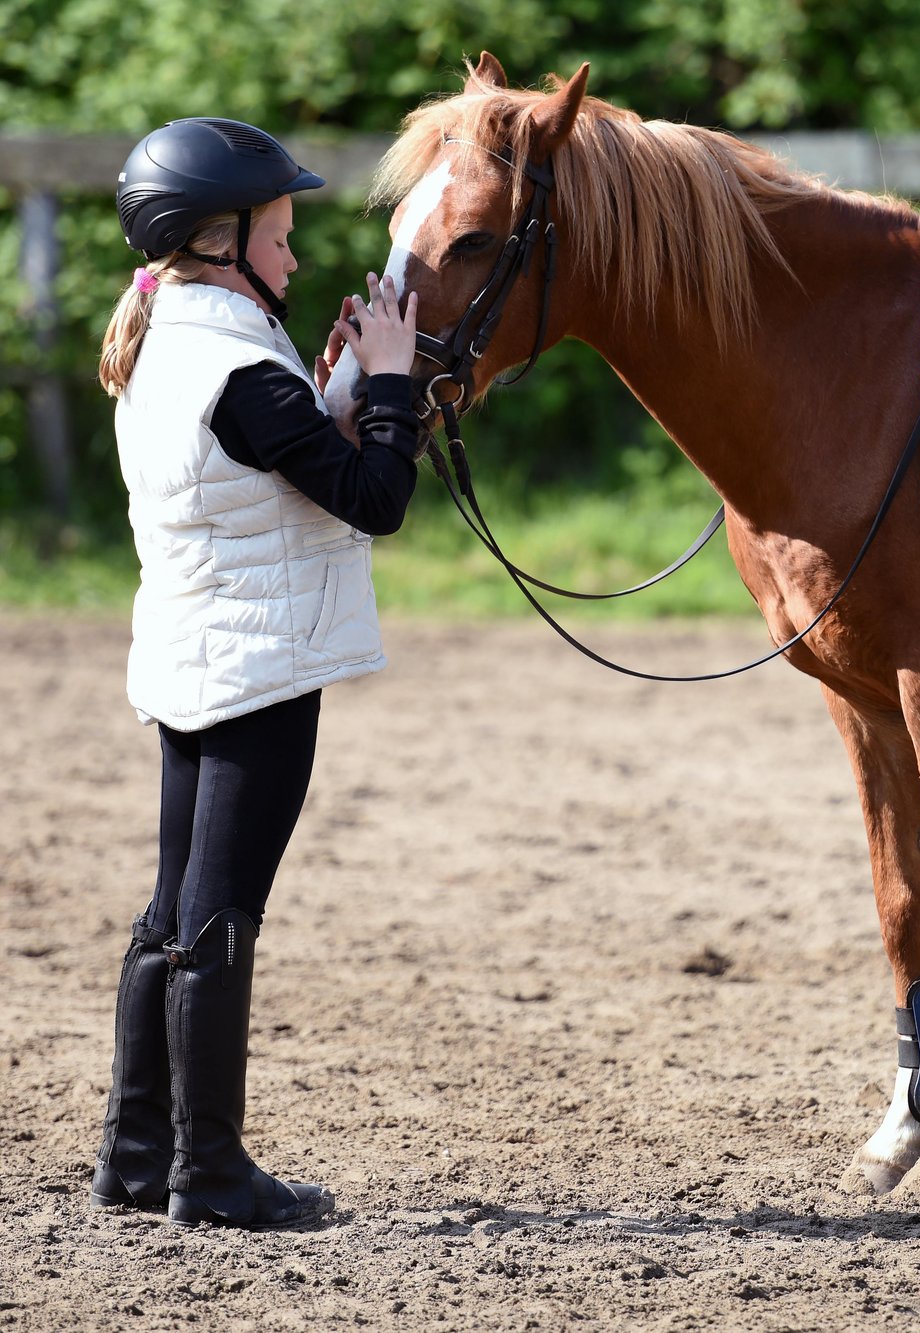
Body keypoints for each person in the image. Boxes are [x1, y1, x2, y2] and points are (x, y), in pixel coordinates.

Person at [92, 117, 425, 1229]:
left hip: (190, 653)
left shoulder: (174, 334)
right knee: (219, 915)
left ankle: (138, 1156)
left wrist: (326, 390)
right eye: (279, 238)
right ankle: (213, 1173)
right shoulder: (240, 362)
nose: (292, 257)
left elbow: (267, 467)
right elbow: (375, 499)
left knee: (169, 911)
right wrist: (390, 387)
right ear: (223, 239)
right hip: (257, 671)